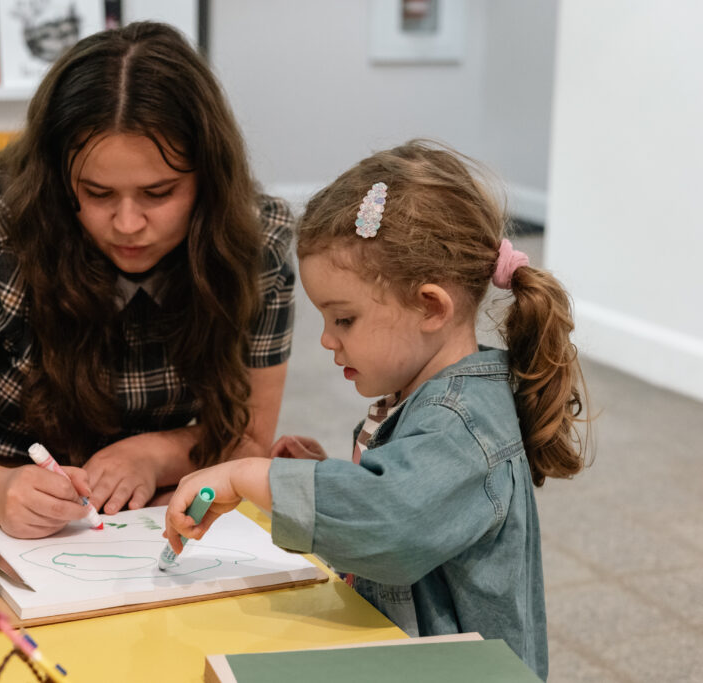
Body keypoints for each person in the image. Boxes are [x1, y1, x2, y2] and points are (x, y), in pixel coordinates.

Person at [163, 140, 590, 680]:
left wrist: (250, 475)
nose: (326, 340)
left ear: (430, 307)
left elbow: (390, 522)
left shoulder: (463, 423)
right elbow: (400, 489)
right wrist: (324, 476)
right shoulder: (424, 393)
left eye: (343, 320)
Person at [0, 22, 295, 539]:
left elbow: (249, 438)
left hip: (157, 521)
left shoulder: (256, 244)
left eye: (159, 193)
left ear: (209, 179)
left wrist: (155, 453)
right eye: (96, 193)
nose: (128, 225)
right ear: (56, 179)